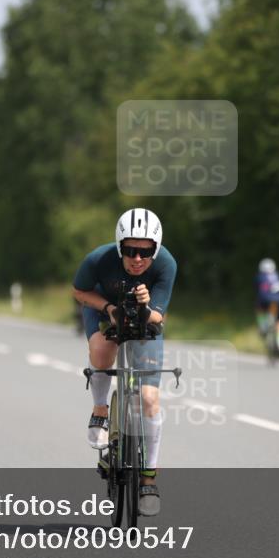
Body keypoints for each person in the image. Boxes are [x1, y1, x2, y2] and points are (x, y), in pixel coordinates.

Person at [72, 208, 177, 517]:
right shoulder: (98, 260)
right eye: (130, 250)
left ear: (155, 250)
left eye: (145, 252)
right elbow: (79, 291)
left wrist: (145, 305)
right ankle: (101, 411)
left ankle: (148, 478)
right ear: (119, 247)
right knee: (103, 353)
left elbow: (158, 316)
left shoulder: (166, 264)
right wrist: (108, 307)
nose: (137, 258)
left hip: (146, 318)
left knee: (148, 399)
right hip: (104, 308)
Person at [255, 257, 279, 355]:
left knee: (259, 308)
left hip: (265, 300)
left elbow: (257, 290)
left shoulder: (260, 276)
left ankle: (263, 326)